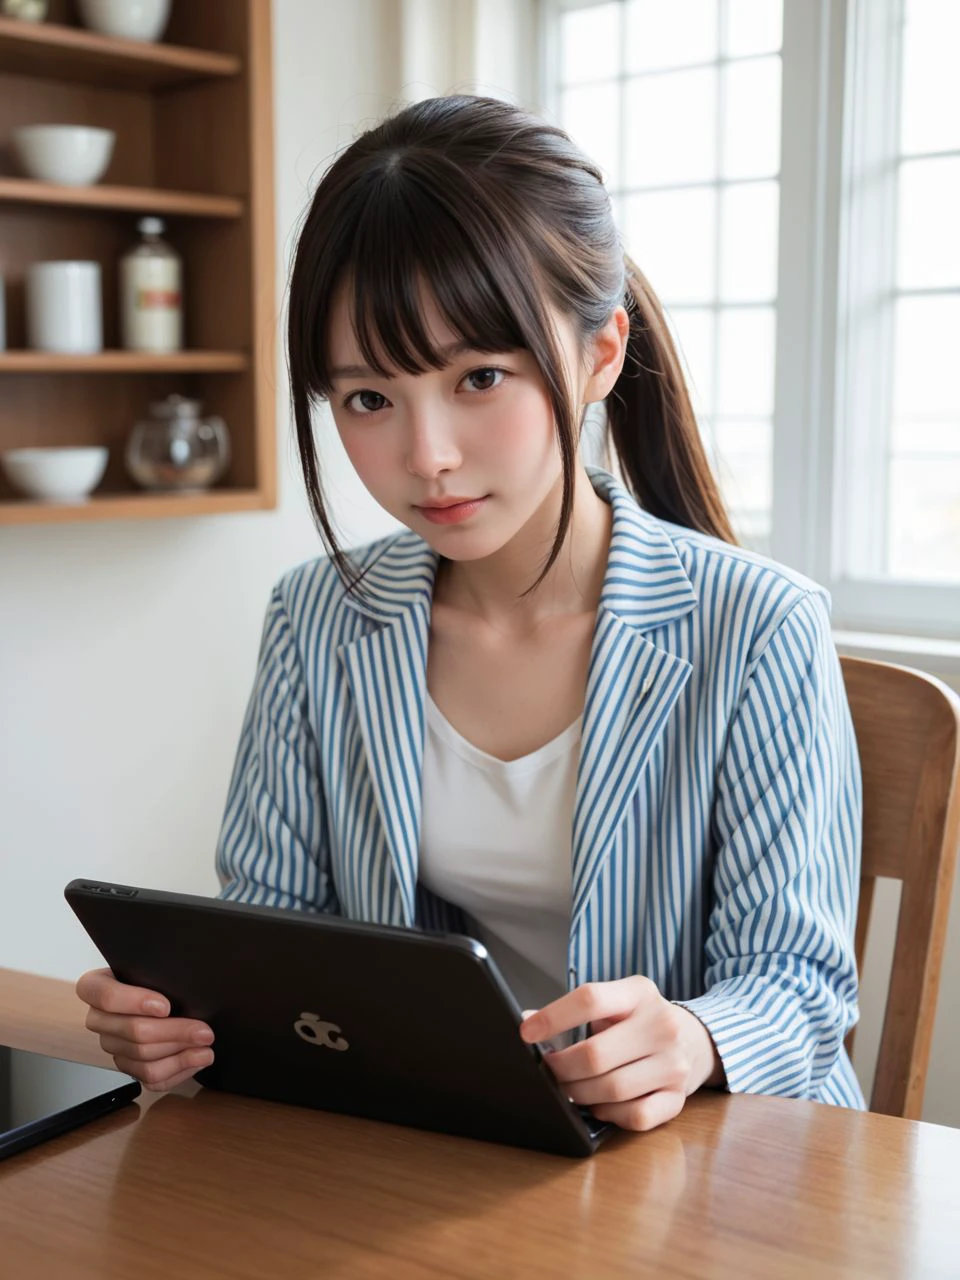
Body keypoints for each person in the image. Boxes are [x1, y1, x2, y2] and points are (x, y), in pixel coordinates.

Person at [76, 94, 865, 1131]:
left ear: (600, 354)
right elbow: (270, 931)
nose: (426, 455)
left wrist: (698, 1034)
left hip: (704, 1173)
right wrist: (181, 1014)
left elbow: (802, 992)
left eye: (479, 376)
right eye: (368, 398)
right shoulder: (317, 616)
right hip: (433, 1146)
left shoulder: (759, 627)